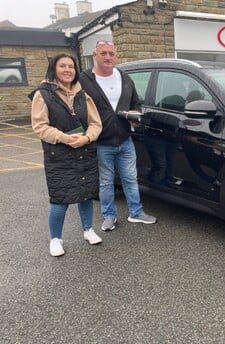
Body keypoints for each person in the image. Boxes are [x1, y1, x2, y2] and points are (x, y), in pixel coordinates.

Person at [30, 53, 103, 257]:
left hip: (85, 151)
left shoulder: (83, 94)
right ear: (54, 68)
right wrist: (64, 138)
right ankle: (55, 238)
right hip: (58, 155)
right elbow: (39, 126)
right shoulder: (42, 94)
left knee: (86, 194)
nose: (67, 70)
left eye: (71, 66)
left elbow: (96, 123)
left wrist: (87, 138)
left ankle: (88, 229)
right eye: (62, 66)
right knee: (60, 198)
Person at [79, 40, 157, 231]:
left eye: (111, 54)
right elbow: (75, 107)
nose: (108, 57)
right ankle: (109, 216)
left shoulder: (124, 77)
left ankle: (136, 213)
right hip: (101, 142)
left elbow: (136, 102)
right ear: (94, 55)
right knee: (106, 182)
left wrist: (134, 114)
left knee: (131, 178)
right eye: (103, 53)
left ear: (116, 56)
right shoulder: (84, 80)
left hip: (124, 139)